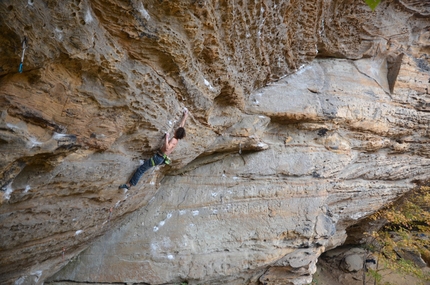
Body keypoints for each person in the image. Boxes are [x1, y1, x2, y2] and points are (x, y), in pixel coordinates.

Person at [119, 109, 189, 190]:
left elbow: (167, 148)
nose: (175, 130)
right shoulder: (177, 138)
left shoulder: (173, 140)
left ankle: (129, 185)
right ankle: (131, 182)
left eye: (176, 130)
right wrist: (185, 116)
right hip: (160, 158)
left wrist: (166, 138)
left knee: (141, 169)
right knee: (144, 166)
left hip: (158, 158)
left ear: (177, 133)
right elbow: (181, 126)